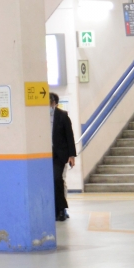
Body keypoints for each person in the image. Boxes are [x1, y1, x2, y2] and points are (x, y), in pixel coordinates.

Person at [50, 92, 77, 222]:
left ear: (55, 103)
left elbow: (69, 136)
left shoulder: (62, 116)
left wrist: (71, 155)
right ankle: (54, 209)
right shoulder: (39, 117)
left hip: (59, 155)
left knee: (56, 179)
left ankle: (61, 209)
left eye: (50, 103)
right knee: (50, 181)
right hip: (43, 155)